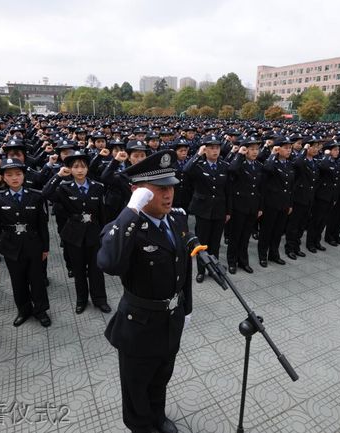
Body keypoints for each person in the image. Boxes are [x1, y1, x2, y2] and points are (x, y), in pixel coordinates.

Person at [98, 150, 192, 433]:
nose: (168, 194)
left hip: (170, 320)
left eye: (171, 186)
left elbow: (182, 267)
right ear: (137, 191)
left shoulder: (177, 220)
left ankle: (158, 417)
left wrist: (186, 308)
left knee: (162, 376)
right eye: (159, 189)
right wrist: (131, 210)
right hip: (139, 326)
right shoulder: (125, 228)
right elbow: (110, 264)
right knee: (136, 384)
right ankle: (141, 426)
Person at [0, 158, 51, 327]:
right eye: (9, 175)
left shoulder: (35, 196)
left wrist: (45, 247)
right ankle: (24, 310)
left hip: (33, 244)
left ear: (24, 176)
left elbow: (42, 225)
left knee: (37, 280)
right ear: (3, 178)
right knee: (18, 280)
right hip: (11, 246)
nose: (14, 178)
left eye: (18, 174)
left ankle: (41, 310)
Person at [42, 151, 111, 314]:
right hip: (74, 234)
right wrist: (58, 176)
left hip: (93, 233)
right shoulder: (64, 188)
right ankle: (81, 300)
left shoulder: (98, 187)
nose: (80, 170)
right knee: (78, 270)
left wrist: (105, 234)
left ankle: (100, 299)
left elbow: (103, 213)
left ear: (87, 169)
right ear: (70, 170)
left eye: (83, 167)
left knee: (96, 270)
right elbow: (45, 194)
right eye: (75, 167)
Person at [183, 135, 231, 282]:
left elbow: (228, 190)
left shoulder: (224, 166)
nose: (215, 151)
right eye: (211, 148)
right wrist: (198, 154)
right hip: (203, 210)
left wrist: (228, 211)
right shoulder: (199, 165)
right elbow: (186, 170)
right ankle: (201, 270)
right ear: (205, 150)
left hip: (219, 209)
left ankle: (214, 268)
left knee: (215, 242)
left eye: (217, 148)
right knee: (202, 242)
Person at [226, 136, 262, 274]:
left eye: (256, 149)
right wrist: (239, 154)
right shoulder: (239, 163)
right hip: (239, 207)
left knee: (245, 236)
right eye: (251, 149)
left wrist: (260, 207)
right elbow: (232, 170)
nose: (255, 152)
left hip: (252, 207)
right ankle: (232, 261)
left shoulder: (259, 166)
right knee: (235, 236)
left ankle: (243, 261)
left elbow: (260, 190)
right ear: (245, 150)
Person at [258, 137, 294, 266]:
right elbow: (266, 169)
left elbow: (290, 186)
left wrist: (290, 204)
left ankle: (274, 254)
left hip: (283, 204)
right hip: (271, 204)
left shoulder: (289, 164)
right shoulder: (271, 162)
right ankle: (263, 255)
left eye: (290, 148)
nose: (289, 150)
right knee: (266, 231)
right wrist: (273, 154)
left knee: (278, 231)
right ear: (278, 149)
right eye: (286, 148)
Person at [285, 137, 320, 260]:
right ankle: (289, 248)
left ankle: (296, 246)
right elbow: (296, 163)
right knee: (294, 225)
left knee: (302, 224)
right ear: (307, 147)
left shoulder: (314, 161)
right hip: (299, 198)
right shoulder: (301, 160)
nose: (316, 149)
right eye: (313, 146)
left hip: (309, 198)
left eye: (317, 146)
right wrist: (304, 151)